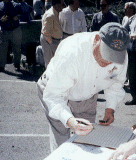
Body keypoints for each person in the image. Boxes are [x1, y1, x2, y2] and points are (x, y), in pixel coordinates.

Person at [37, 22, 130, 151]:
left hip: (88, 95)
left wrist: (110, 109)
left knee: (87, 141)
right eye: (106, 54)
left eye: (113, 57)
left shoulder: (121, 56)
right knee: (62, 142)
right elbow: (54, 95)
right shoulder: (72, 53)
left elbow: (116, 83)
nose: (108, 62)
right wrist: (69, 120)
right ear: (97, 39)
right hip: (55, 91)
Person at [0, 0, 22, 72]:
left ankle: (17, 65)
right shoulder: (0, 5)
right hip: (4, 30)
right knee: (2, 49)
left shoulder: (16, 5)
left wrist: (17, 17)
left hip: (15, 29)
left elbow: (24, 14)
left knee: (16, 48)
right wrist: (1, 20)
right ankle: (1, 66)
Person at [40, 0, 63, 68]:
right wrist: (51, 44)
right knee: (49, 63)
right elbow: (46, 32)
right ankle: (49, 78)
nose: (63, 7)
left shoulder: (56, 13)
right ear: (57, 5)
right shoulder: (51, 15)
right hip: (49, 41)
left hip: (54, 40)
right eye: (61, 4)